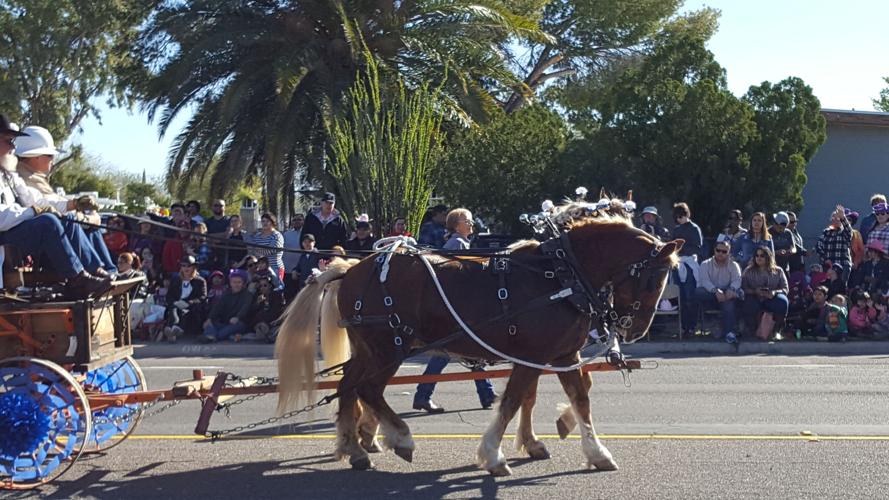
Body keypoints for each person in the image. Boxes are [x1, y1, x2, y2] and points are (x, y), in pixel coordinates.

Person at [0, 114, 111, 296]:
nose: (13, 147)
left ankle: (95, 271)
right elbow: (2, 217)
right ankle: (78, 279)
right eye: (8, 141)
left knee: (67, 218)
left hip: (12, 237)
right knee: (47, 222)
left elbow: (35, 198)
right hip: (4, 240)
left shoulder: (8, 174)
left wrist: (71, 204)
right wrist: (33, 212)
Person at [414, 208, 496, 413]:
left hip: (457, 307)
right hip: (456, 309)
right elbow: (461, 278)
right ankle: (423, 395)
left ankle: (487, 395)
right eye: (467, 221)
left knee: (471, 351)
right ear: (457, 224)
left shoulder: (459, 242)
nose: (471, 224)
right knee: (444, 353)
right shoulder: (457, 244)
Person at [694, 237, 742, 343]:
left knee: (734, 298)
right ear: (714, 250)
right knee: (698, 291)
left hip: (727, 294)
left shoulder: (734, 265)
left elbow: (737, 280)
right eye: (718, 250)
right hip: (710, 296)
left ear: (729, 253)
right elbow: (705, 281)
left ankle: (729, 333)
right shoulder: (705, 264)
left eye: (724, 251)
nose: (720, 253)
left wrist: (731, 289)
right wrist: (715, 291)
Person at [741, 247, 789, 340]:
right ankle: (752, 330)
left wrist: (774, 292)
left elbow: (785, 288)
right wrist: (755, 291)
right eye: (757, 255)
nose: (759, 258)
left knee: (783, 302)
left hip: (772, 297)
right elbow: (743, 288)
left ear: (768, 257)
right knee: (748, 304)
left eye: (762, 256)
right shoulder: (748, 270)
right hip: (754, 297)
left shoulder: (778, 271)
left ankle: (777, 330)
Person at [671, 202, 703, 336]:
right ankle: (683, 327)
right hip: (678, 264)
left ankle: (692, 325)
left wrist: (683, 249)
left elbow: (698, 247)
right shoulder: (677, 230)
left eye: (681, 216)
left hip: (690, 264)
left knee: (690, 296)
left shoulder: (694, 228)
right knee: (681, 297)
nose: (679, 219)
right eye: (677, 217)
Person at [162, 256, 207, 342]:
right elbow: (169, 296)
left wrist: (189, 303)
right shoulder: (176, 279)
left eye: (188, 266)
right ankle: (174, 329)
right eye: (183, 265)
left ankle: (173, 331)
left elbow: (203, 296)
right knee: (173, 309)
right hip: (176, 305)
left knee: (183, 311)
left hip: (191, 307)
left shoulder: (200, 281)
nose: (186, 268)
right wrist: (175, 302)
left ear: (193, 267)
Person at [201, 269, 254, 342]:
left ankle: (212, 336)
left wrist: (237, 317)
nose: (236, 285)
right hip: (226, 323)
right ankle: (216, 336)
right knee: (210, 324)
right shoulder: (226, 294)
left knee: (223, 332)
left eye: (239, 282)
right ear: (230, 283)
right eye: (234, 282)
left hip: (240, 323)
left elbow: (245, 308)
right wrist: (209, 318)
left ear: (243, 283)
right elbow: (218, 306)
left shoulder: (248, 295)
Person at [815, 205, 853, 285]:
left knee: (840, 286)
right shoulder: (826, 232)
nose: (835, 220)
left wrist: (843, 217)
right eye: (833, 218)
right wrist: (825, 259)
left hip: (843, 265)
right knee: (827, 286)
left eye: (838, 219)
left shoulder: (844, 232)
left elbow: (848, 231)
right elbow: (818, 246)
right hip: (829, 266)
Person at [248, 213, 285, 279]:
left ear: (272, 222)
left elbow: (271, 250)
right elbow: (252, 249)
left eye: (267, 221)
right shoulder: (257, 236)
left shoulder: (277, 235)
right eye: (263, 221)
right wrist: (256, 250)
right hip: (259, 269)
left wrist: (258, 250)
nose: (265, 223)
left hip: (275, 268)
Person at [251, 276, 284, 343]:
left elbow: (276, 311)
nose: (262, 288)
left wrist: (267, 323)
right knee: (261, 328)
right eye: (260, 286)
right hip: (259, 323)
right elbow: (251, 313)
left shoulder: (276, 295)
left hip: (272, 322)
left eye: (265, 285)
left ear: (270, 286)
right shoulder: (256, 296)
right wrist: (257, 303)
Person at [281, 214, 305, 283]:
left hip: (302, 270)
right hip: (288, 269)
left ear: (303, 221)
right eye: (294, 220)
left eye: (299, 220)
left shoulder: (306, 234)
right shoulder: (286, 235)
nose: (297, 221)